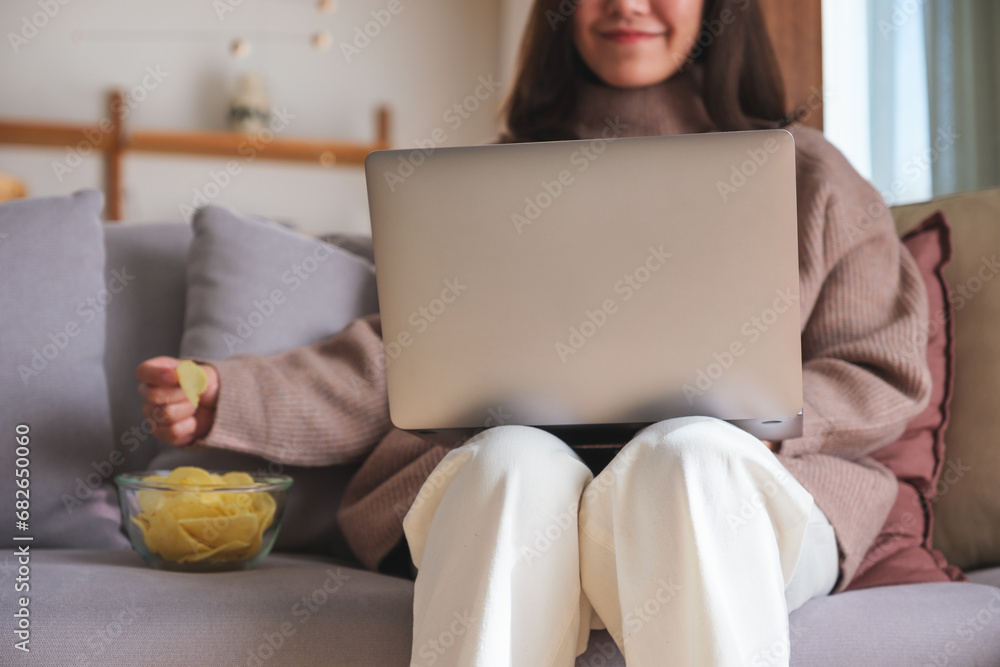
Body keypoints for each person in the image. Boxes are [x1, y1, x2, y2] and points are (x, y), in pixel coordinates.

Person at [137, 0, 932, 664]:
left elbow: (879, 368)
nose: (625, 4)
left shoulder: (813, 176)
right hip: (518, 487)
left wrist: (761, 420)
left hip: (734, 492)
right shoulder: (493, 185)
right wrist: (228, 395)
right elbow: (403, 358)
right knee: (510, 462)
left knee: (690, 455)